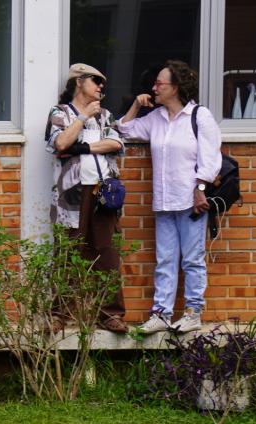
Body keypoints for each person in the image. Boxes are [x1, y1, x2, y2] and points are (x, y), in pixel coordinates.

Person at [117, 59, 222, 334]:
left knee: (192, 260)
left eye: (159, 83)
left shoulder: (200, 117)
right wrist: (136, 105)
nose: (154, 88)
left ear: (175, 87)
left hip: (191, 202)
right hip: (164, 201)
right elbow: (124, 129)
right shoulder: (156, 118)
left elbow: (211, 159)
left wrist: (200, 190)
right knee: (165, 260)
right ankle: (161, 315)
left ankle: (193, 313)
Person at [45, 63, 128, 333]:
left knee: (108, 252)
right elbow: (60, 143)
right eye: (95, 80)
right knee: (67, 252)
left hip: (103, 193)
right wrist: (81, 118)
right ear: (79, 82)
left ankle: (111, 314)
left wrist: (82, 147)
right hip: (72, 194)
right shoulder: (60, 113)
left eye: (102, 82)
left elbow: (117, 143)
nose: (101, 86)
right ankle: (59, 314)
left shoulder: (105, 115)